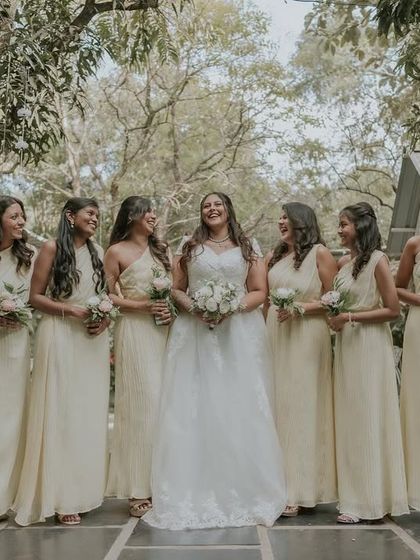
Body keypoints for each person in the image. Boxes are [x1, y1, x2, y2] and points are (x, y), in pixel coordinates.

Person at [143, 191, 287, 530]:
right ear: (201, 213)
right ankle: (190, 486)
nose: (212, 209)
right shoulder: (189, 245)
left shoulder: (248, 246)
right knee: (194, 406)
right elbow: (177, 289)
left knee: (239, 405)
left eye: (217, 204)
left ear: (229, 210)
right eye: (206, 205)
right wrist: (197, 307)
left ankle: (247, 486)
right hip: (194, 334)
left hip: (238, 334)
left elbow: (258, 291)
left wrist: (230, 308)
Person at [13, 197, 110, 526]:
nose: (95, 219)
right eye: (89, 214)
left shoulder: (96, 254)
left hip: (90, 341)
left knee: (85, 414)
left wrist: (104, 319)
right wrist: (72, 310)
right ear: (70, 216)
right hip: (59, 334)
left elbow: (104, 296)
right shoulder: (52, 248)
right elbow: (34, 297)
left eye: (97, 215)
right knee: (61, 413)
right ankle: (59, 497)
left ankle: (82, 491)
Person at [328, 202, 408, 523]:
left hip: (369, 346)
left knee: (368, 415)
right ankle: (353, 494)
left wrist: (348, 316)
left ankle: (370, 501)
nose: (339, 230)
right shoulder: (344, 263)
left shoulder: (378, 261)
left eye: (344, 224)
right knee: (350, 418)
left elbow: (393, 309)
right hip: (347, 346)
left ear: (360, 226)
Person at [265, 202, 337, 516]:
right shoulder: (275, 256)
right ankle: (274, 484)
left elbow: (334, 299)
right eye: (280, 217)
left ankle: (299, 489)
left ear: (301, 222)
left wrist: (301, 308)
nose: (281, 222)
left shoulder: (320, 253)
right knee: (277, 406)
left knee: (303, 407)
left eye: (287, 217)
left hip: (308, 336)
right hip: (275, 335)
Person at [105, 196, 173, 517]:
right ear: (132, 215)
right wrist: (142, 306)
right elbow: (107, 298)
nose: (153, 215)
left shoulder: (163, 250)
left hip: (164, 333)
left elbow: (173, 292)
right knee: (140, 405)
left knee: (163, 404)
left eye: (153, 211)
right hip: (133, 331)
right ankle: (137, 488)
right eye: (147, 210)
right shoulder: (115, 252)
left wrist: (168, 312)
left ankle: (163, 480)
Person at [0, 196, 35, 521]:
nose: (21, 221)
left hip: (15, 343)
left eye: (22, 216)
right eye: (14, 216)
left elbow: (38, 298)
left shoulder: (29, 257)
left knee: (11, 415)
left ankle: (6, 495)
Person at [395, 235, 420, 510]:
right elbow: (396, 288)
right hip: (418, 326)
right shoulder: (415, 244)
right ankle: (415, 486)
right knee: (417, 399)